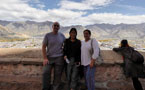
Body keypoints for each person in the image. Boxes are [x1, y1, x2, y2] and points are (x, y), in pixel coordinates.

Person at [42, 22, 65, 90]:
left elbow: (66, 44)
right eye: (55, 25)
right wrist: (45, 58)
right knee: (45, 73)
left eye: (57, 26)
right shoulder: (47, 35)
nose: (56, 27)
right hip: (49, 57)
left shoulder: (62, 35)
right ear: (52, 26)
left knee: (57, 75)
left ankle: (55, 88)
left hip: (59, 58)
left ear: (59, 27)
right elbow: (43, 47)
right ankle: (46, 88)